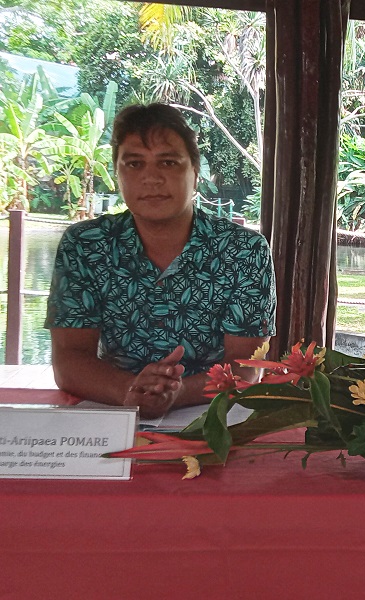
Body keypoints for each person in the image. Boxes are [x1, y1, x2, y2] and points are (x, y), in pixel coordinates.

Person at [45, 103, 276, 418]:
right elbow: (69, 360)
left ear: (195, 175)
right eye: (134, 163)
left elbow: (246, 367)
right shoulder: (85, 246)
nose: (151, 178)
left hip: (213, 415)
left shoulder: (244, 250)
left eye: (168, 162)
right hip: (110, 410)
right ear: (117, 174)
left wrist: (176, 393)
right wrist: (131, 392)